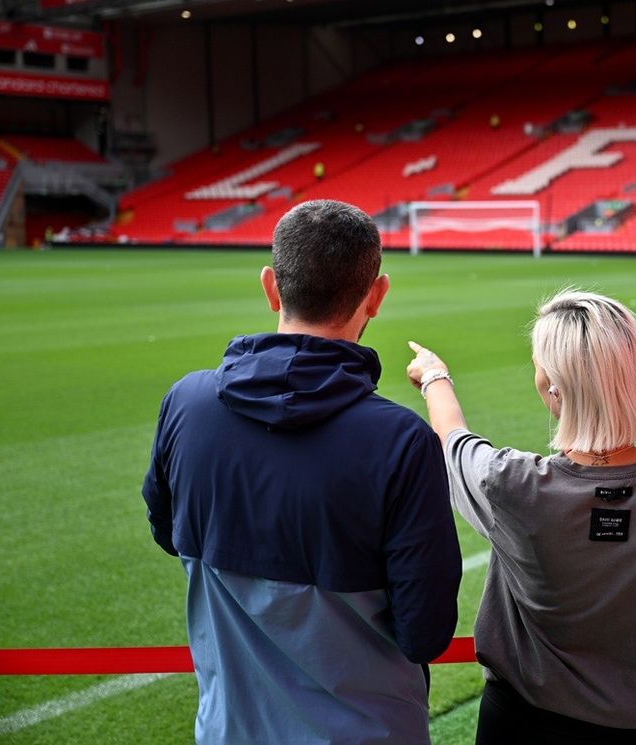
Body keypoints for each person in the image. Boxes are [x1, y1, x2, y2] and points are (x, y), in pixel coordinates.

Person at [142, 200, 462, 745]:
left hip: (227, 730)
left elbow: (168, 533)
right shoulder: (400, 442)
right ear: (377, 295)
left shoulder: (186, 404)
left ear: (271, 286)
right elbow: (425, 632)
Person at [405, 289, 636, 745]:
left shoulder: (513, 483)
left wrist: (436, 376)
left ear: (552, 384)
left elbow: (454, 441)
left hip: (520, 725)